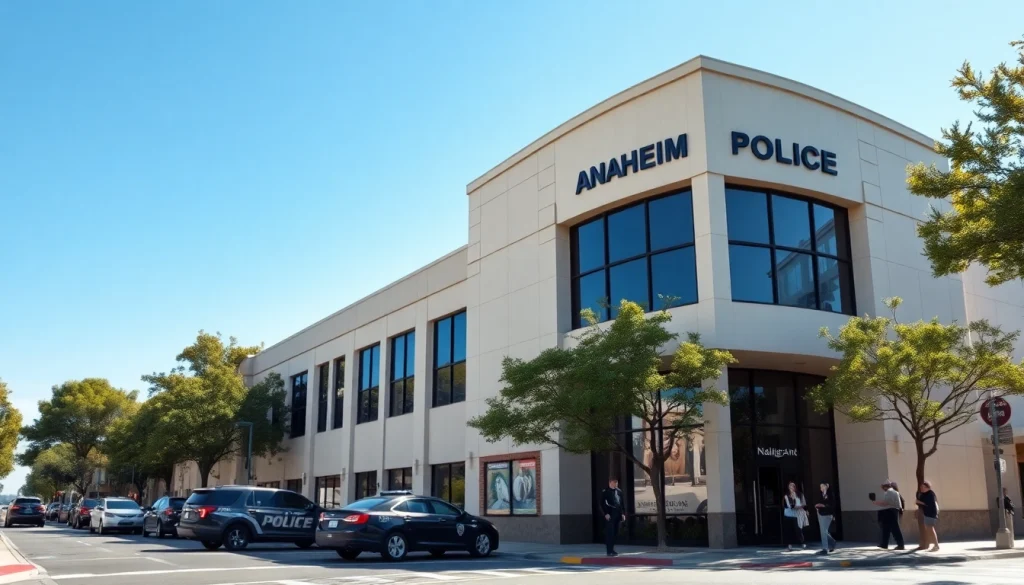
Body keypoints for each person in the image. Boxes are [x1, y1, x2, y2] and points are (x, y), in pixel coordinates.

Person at [873, 480, 905, 550]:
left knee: (894, 528)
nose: (882, 488)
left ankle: (900, 545)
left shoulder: (889, 492)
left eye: (883, 487)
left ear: (885, 486)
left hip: (891, 511)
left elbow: (886, 503)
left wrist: (876, 503)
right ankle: (884, 544)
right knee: (886, 528)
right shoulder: (892, 491)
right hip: (891, 510)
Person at [600, 477, 626, 557]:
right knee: (610, 533)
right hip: (610, 514)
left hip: (618, 513)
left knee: (615, 532)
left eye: (617, 482)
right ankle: (609, 550)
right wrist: (605, 513)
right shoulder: (605, 492)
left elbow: (621, 503)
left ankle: (613, 549)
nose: (616, 484)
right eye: (614, 482)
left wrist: (623, 513)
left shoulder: (619, 491)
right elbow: (602, 504)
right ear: (610, 482)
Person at [814, 481, 837, 555]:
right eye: (820, 487)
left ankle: (825, 548)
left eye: (822, 486)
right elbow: (818, 502)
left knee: (823, 532)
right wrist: (817, 506)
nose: (821, 488)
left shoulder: (830, 494)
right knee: (824, 531)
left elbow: (832, 505)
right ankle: (832, 543)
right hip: (820, 513)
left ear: (826, 486)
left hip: (828, 514)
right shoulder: (821, 494)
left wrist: (823, 505)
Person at [782, 481, 807, 550]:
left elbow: (803, 503)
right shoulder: (786, 495)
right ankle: (789, 545)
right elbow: (786, 505)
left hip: (797, 514)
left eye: (793, 486)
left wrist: (799, 506)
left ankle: (802, 542)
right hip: (788, 514)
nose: (791, 487)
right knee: (788, 530)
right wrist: (793, 504)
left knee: (798, 529)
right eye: (790, 486)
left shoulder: (800, 494)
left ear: (795, 487)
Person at [915, 480, 939, 552]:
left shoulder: (930, 494)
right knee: (929, 530)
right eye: (921, 487)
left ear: (927, 487)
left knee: (931, 529)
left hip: (931, 513)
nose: (922, 488)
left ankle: (936, 545)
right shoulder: (924, 494)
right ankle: (933, 544)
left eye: (923, 487)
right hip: (926, 514)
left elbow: (928, 504)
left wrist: (920, 502)